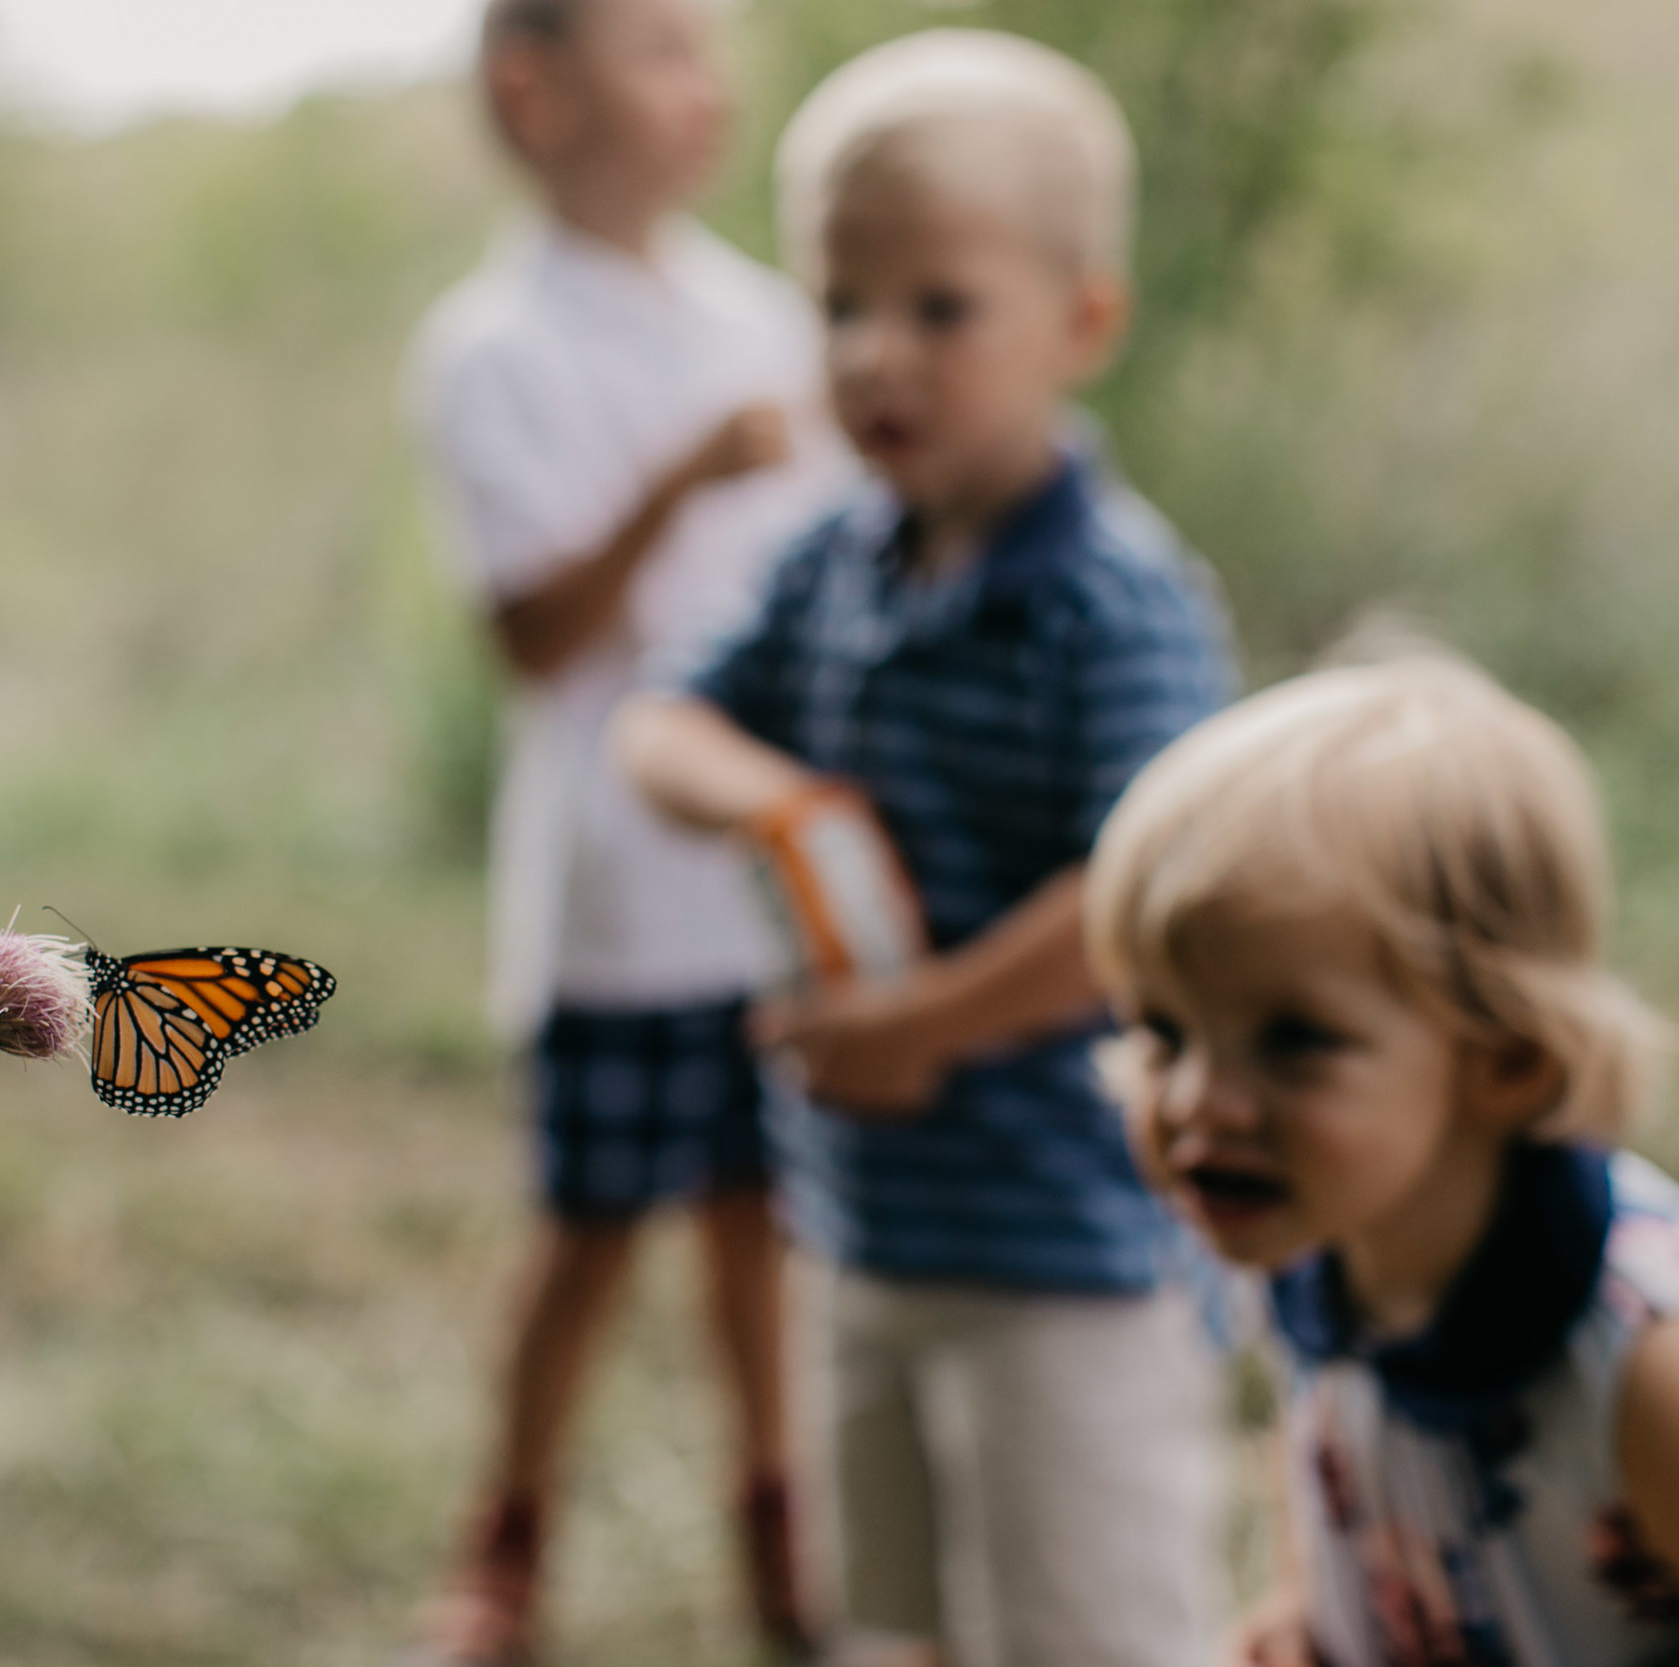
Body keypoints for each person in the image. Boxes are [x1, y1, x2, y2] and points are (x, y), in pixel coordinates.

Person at [614, 30, 1236, 1667]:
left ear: (1083, 320)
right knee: (889, 1618)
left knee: (1082, 1623)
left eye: (940, 307)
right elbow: (657, 722)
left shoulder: (1109, 595)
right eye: (838, 305)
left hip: (1065, 1258)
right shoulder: (834, 557)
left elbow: (1144, 893)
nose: (878, 353)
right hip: (865, 1230)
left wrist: (924, 1020)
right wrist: (778, 800)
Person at [1084, 652, 1679, 1666]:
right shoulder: (1316, 1236)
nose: (1190, 1100)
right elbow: (1339, 1476)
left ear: (1507, 1060)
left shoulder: (1666, 1367)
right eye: (1161, 1029)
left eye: (1294, 1038)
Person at [402, 0, 853, 1660]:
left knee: (761, 1226)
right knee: (588, 1232)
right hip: (614, 889)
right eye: (659, 44)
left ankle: (779, 1520)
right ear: (536, 92)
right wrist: (683, 479)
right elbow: (533, 635)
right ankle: (504, 1544)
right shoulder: (494, 346)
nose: (703, 83)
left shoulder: (771, 319)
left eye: (705, 45)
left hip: (768, 878)